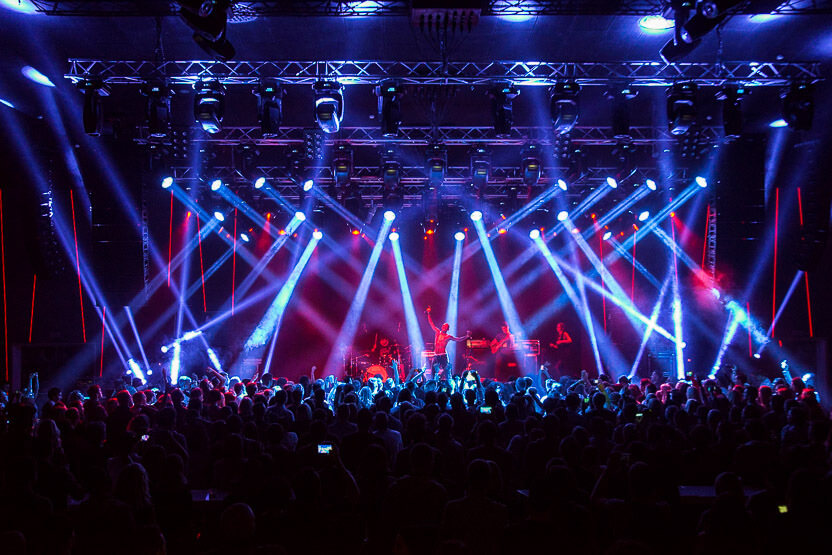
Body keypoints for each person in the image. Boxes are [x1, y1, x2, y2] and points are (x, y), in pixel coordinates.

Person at [426, 306, 470, 380]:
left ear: (448, 329)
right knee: (433, 371)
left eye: (446, 326)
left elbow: (458, 339)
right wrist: (428, 314)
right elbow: (431, 323)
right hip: (436, 355)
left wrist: (466, 336)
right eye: (443, 326)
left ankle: (447, 382)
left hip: (443, 355)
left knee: (447, 371)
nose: (444, 327)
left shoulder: (448, 336)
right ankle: (434, 383)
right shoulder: (437, 332)